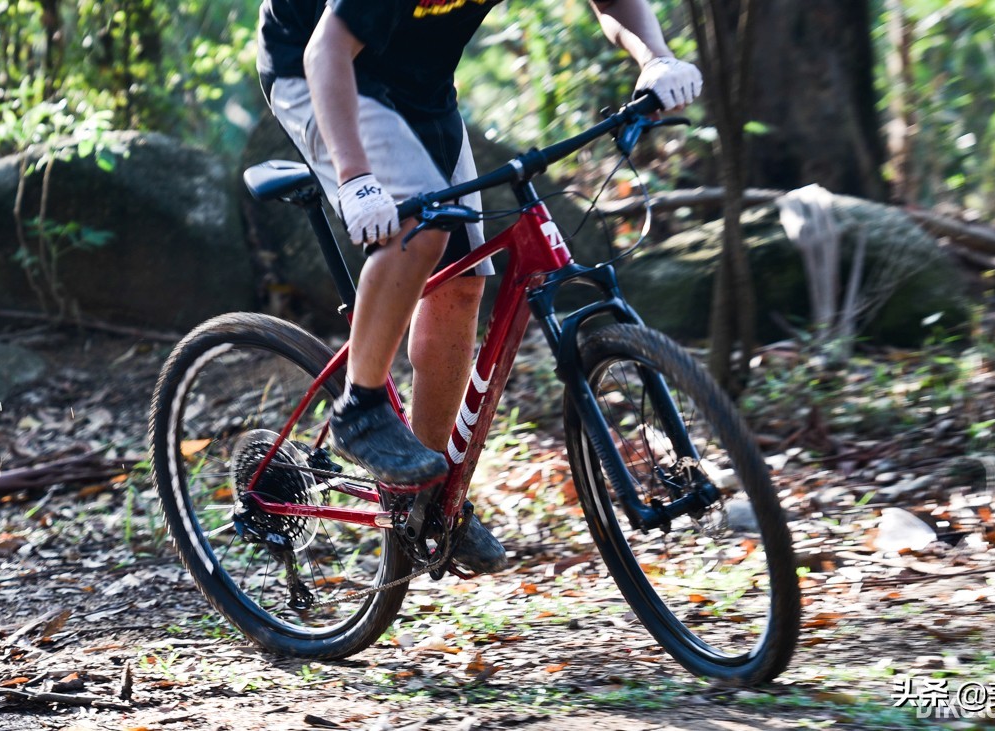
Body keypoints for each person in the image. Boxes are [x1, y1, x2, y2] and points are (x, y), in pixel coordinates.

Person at [256, 0, 701, 573]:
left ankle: (426, 498)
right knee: (420, 228)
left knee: (462, 285)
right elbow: (326, 50)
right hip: (314, 63)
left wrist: (655, 58)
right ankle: (360, 408)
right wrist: (356, 178)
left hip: (419, 82)